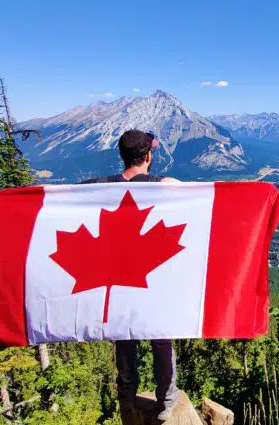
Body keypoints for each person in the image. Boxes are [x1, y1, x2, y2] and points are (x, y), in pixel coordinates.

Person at [79, 129, 179, 422]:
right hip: (152, 279)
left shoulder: (97, 187)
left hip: (116, 279)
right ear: (148, 156)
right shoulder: (162, 185)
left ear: (122, 156)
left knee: (124, 338)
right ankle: (167, 402)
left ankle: (127, 398)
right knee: (162, 338)